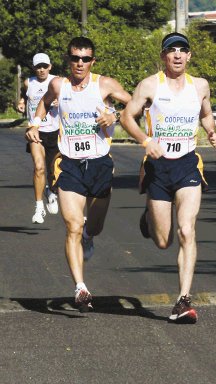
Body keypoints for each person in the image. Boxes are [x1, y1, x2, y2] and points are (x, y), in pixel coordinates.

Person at [120, 32, 216, 323]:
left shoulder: (200, 86)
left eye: (182, 50)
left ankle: (183, 300)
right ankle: (149, 217)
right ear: (163, 56)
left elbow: (206, 114)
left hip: (188, 164)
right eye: (171, 50)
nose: (177, 55)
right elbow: (127, 116)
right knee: (163, 241)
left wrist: (212, 131)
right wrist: (144, 141)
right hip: (158, 167)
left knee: (187, 230)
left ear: (189, 56)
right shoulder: (150, 85)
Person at [25, 37, 131, 309]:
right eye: (75, 58)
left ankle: (89, 236)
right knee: (72, 225)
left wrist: (114, 115)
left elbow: (135, 104)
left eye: (85, 59)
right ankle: (80, 288)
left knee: (93, 226)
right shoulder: (58, 85)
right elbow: (45, 103)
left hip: (99, 163)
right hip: (69, 162)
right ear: (68, 59)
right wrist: (36, 124)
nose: (80, 63)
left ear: (92, 61)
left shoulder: (104, 84)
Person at [18, 53, 59, 224]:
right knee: (39, 167)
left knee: (52, 171)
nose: (41, 69)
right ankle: (39, 207)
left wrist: (59, 102)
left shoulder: (57, 82)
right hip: (35, 131)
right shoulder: (29, 82)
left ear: (50, 66)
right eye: (38, 67)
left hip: (55, 131)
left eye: (44, 66)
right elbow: (24, 95)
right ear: (34, 68)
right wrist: (21, 102)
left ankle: (50, 191)